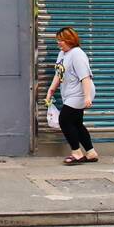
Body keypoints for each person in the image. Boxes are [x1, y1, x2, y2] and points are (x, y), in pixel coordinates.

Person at [46, 26, 98, 165]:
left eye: (61, 40)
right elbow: (59, 73)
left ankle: (76, 153)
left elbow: (85, 77)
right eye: (58, 40)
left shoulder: (77, 54)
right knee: (77, 123)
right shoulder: (62, 54)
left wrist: (87, 97)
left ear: (70, 40)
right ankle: (91, 153)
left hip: (80, 92)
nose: (59, 43)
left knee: (64, 120)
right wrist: (51, 90)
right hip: (70, 93)